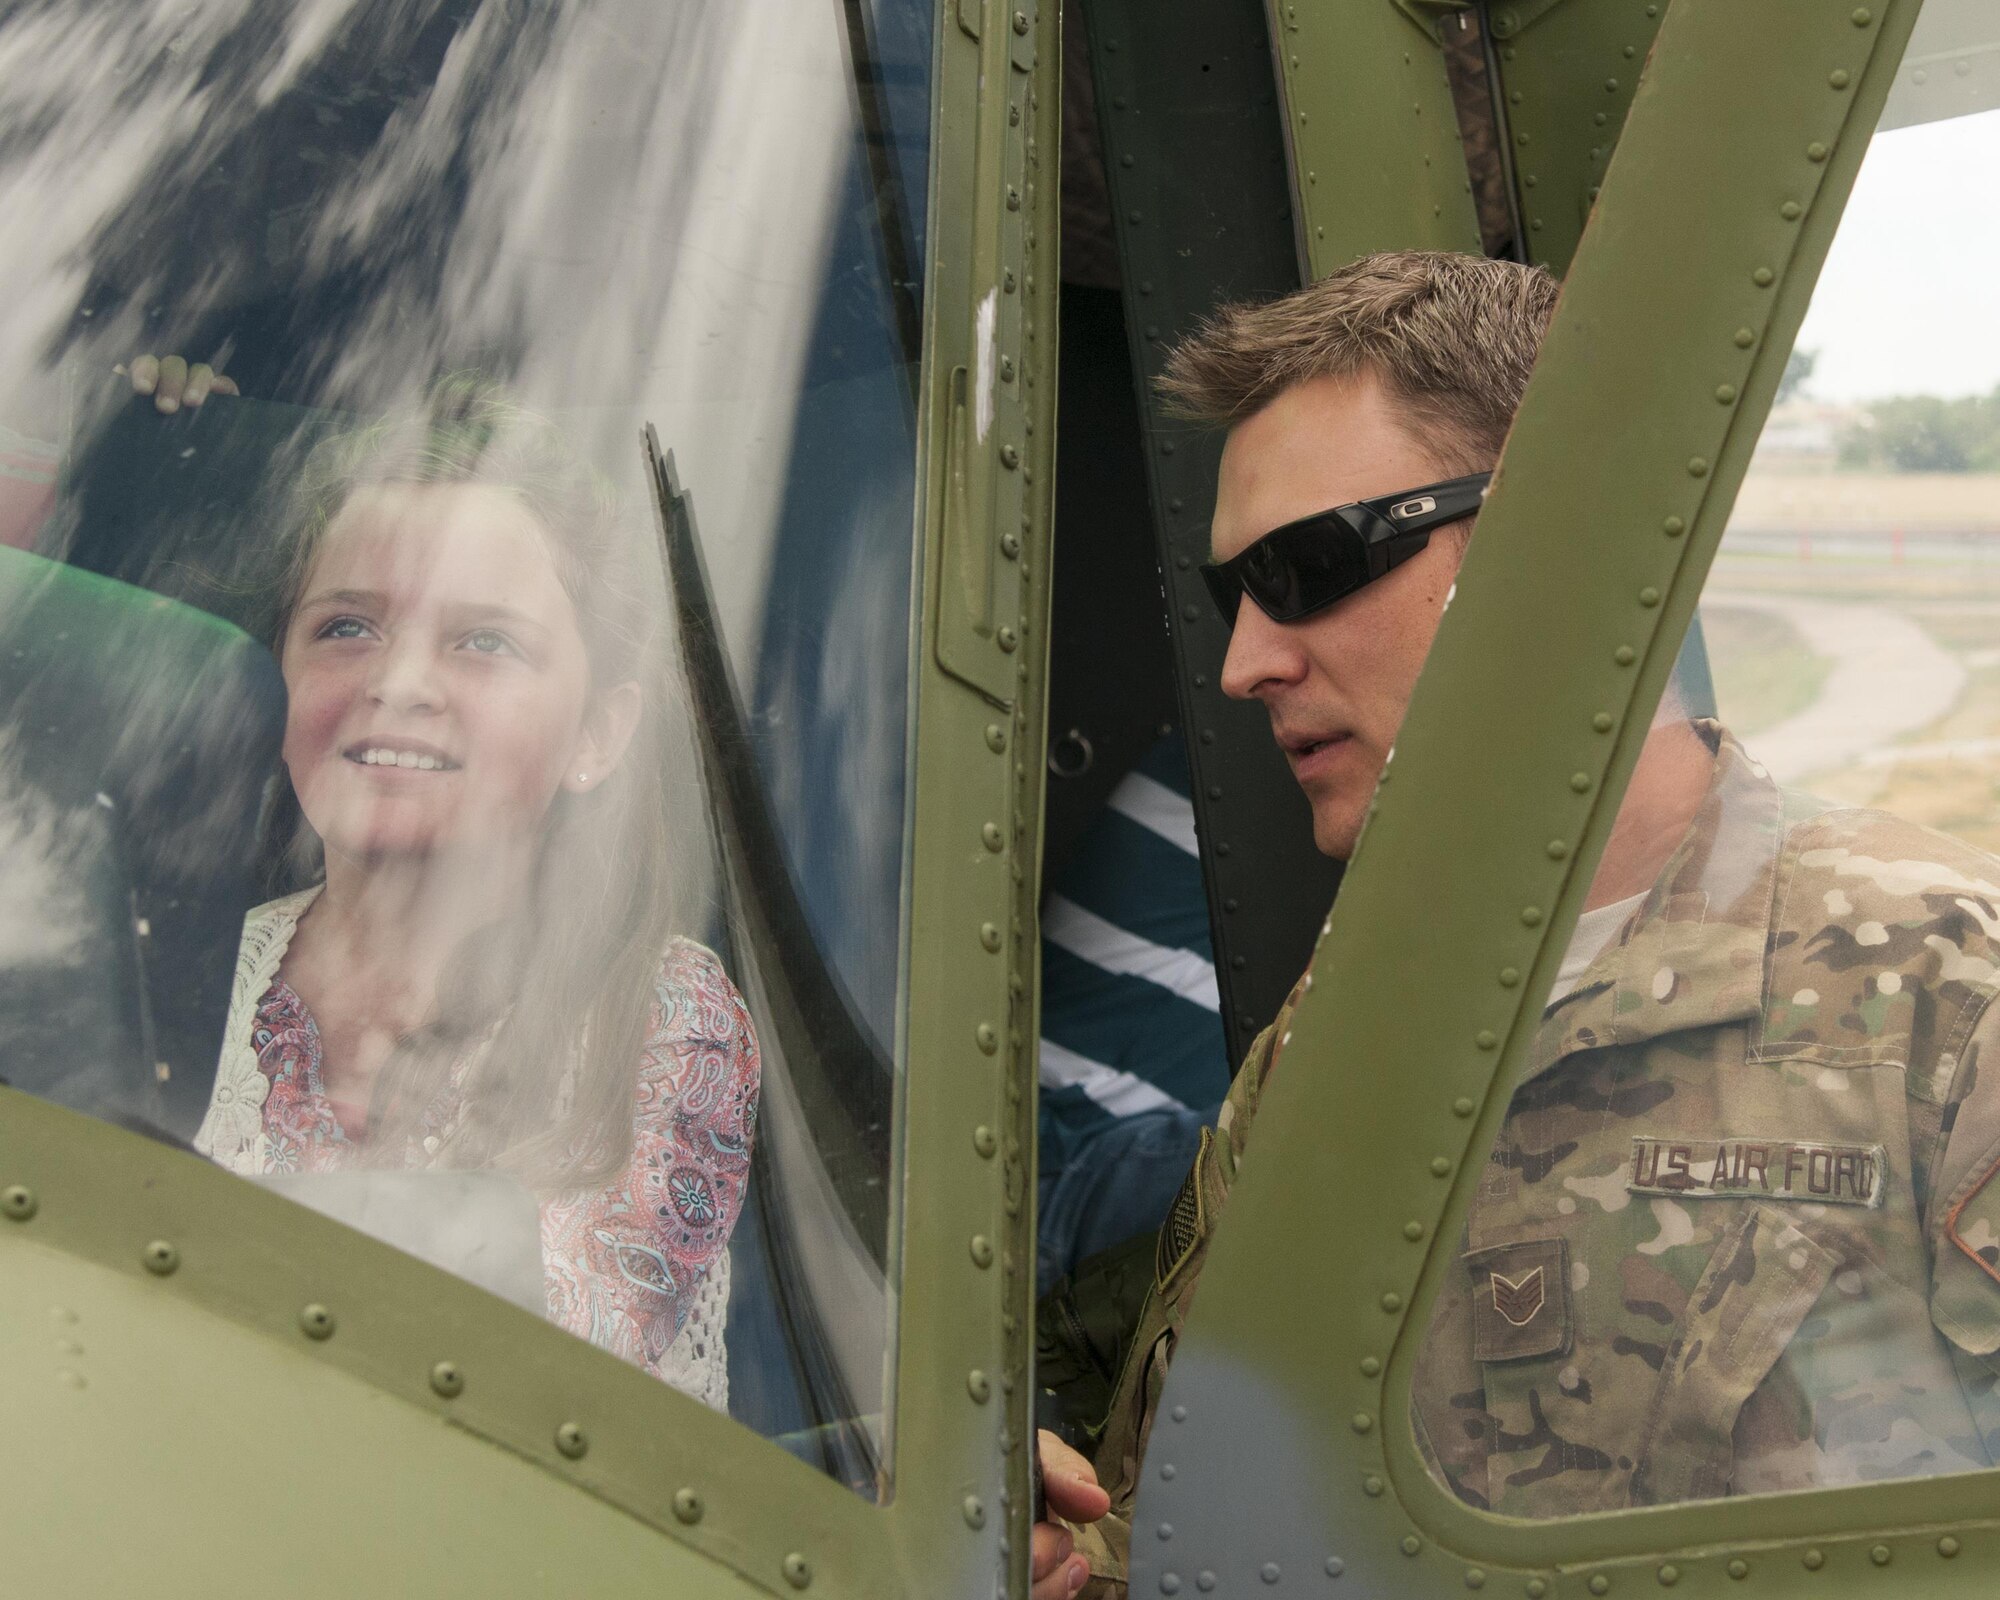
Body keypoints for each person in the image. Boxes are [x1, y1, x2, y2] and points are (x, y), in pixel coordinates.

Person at [1031, 250, 2000, 1595]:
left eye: (1310, 566)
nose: (1248, 660)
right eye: (1229, 597)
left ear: (1559, 536)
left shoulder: (1945, 986)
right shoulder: (1328, 1053)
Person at [195, 381, 759, 1409]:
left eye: (483, 641)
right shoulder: (183, 971)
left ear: (596, 734)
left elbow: (532, 1374)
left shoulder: (658, 1015)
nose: (399, 682)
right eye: (347, 627)